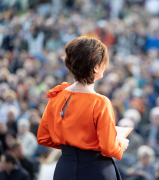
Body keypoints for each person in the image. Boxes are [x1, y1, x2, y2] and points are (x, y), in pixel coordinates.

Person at [37, 36, 129, 180]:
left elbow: (43, 138)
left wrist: (72, 145)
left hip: (65, 169)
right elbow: (109, 148)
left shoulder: (56, 97)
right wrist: (121, 144)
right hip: (96, 170)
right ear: (96, 66)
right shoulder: (100, 102)